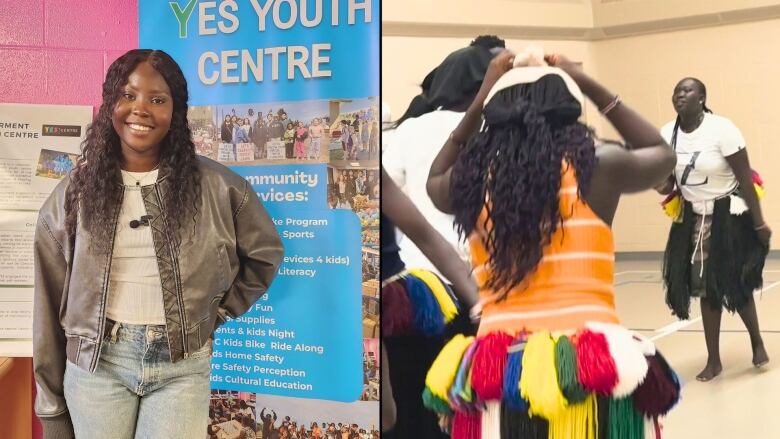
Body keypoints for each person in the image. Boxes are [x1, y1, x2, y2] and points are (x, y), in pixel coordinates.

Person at [425, 49, 680, 436]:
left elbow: (434, 178)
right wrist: (587, 82)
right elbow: (662, 155)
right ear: (568, 110)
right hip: (586, 364)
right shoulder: (597, 166)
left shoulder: (467, 181)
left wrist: (482, 96)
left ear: (493, 116)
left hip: (501, 369)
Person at [33, 49, 283, 438]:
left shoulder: (219, 187)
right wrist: (49, 407)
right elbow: (48, 305)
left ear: (176, 111)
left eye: (157, 99)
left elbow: (265, 255)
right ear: (110, 104)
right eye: (128, 95)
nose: (140, 109)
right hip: (98, 366)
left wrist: (212, 315)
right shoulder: (72, 196)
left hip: (181, 367)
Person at [656, 77, 770, 381]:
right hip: (693, 218)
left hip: (728, 215)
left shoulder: (722, 129)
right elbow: (669, 182)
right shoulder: (667, 134)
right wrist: (658, 183)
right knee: (705, 288)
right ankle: (714, 359)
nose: (680, 95)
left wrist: (759, 223)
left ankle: (757, 342)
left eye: (687, 90)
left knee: (735, 282)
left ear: (702, 98)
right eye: (676, 90)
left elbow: (745, 179)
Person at [383, 35, 505, 283]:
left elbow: (387, 189)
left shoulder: (411, 128)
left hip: (421, 267)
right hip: (482, 265)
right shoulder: (496, 128)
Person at [381, 166, 479, 439]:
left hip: (398, 320)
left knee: (417, 418)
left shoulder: (364, 167)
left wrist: (479, 306)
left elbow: (426, 237)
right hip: (338, 319)